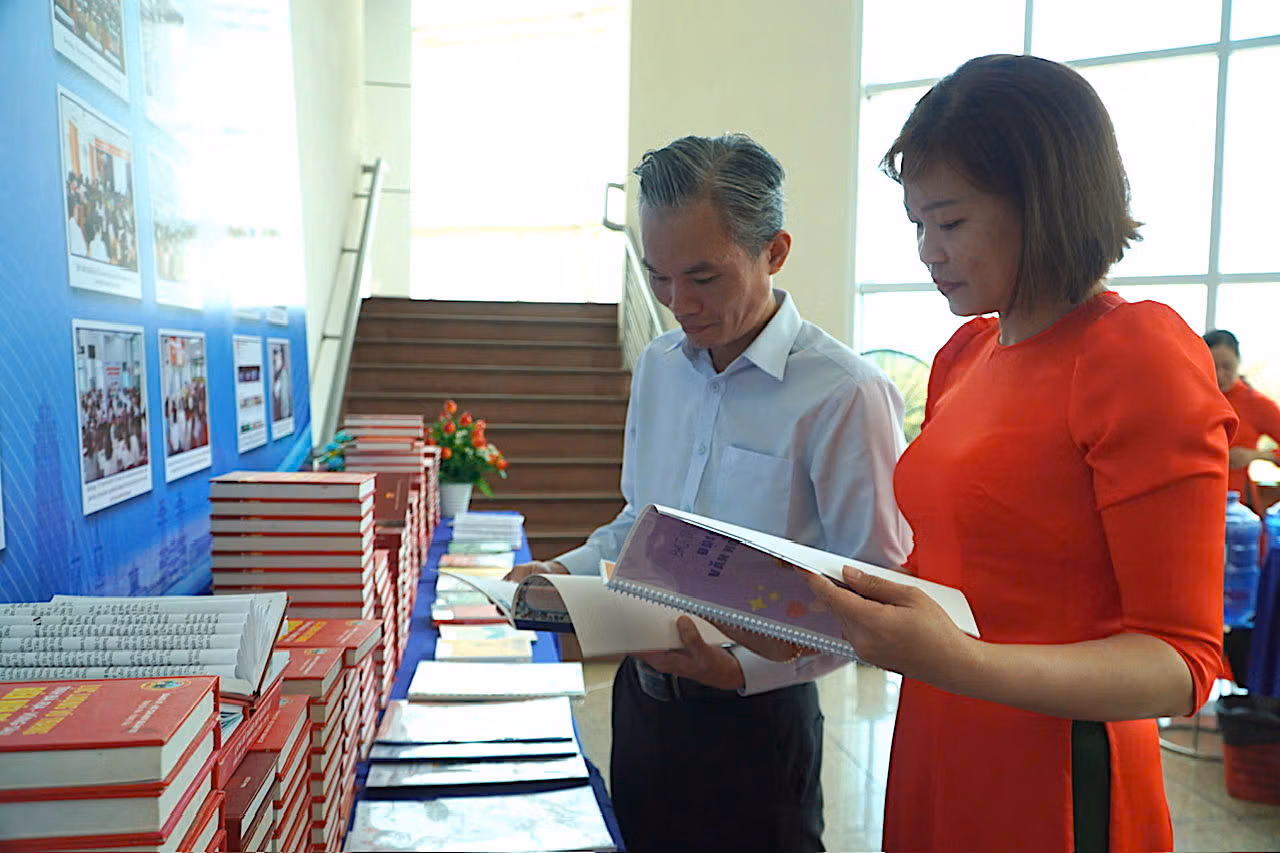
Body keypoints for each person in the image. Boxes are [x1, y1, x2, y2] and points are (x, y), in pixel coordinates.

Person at [742, 55, 1235, 852]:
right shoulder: (967, 355)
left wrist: (960, 662)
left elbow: (1180, 659)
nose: (927, 252)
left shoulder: (1132, 352)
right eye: (918, 225)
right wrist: (811, 615)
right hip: (942, 731)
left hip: (1053, 767)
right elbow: (953, 571)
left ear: (1046, 204)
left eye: (951, 222)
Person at [507, 133, 911, 852]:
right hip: (642, 705)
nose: (678, 304)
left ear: (774, 252)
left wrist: (739, 668)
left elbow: (876, 592)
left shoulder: (845, 393)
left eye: (703, 277)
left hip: (758, 723)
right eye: (659, 277)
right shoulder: (660, 367)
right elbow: (640, 522)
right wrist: (560, 574)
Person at [1203, 329, 1280, 510]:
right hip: (1191, 499)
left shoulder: (1256, 403)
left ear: (1239, 362)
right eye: (1212, 366)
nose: (1220, 374)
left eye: (1227, 366)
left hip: (1238, 509)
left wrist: (1255, 455)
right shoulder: (1187, 398)